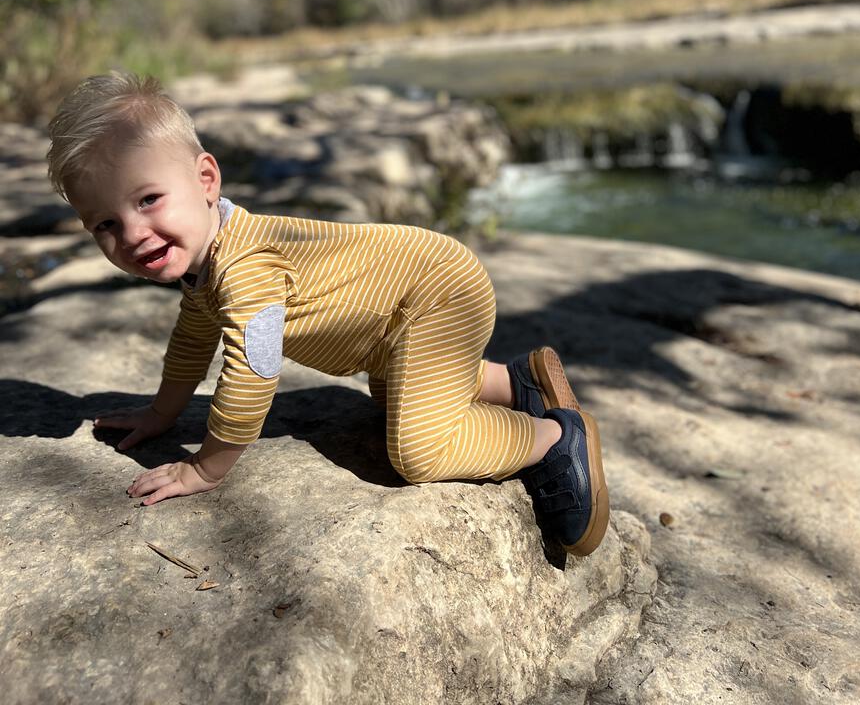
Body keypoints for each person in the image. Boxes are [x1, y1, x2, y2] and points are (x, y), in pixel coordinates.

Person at [46, 71, 609, 557]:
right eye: (106, 224)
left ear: (206, 180)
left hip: (435, 293)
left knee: (420, 450)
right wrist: (160, 413)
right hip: (394, 317)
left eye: (148, 200)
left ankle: (552, 436)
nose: (133, 234)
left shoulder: (245, 270)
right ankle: (516, 383)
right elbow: (192, 342)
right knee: (394, 400)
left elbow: (253, 374)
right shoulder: (208, 263)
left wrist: (205, 467)